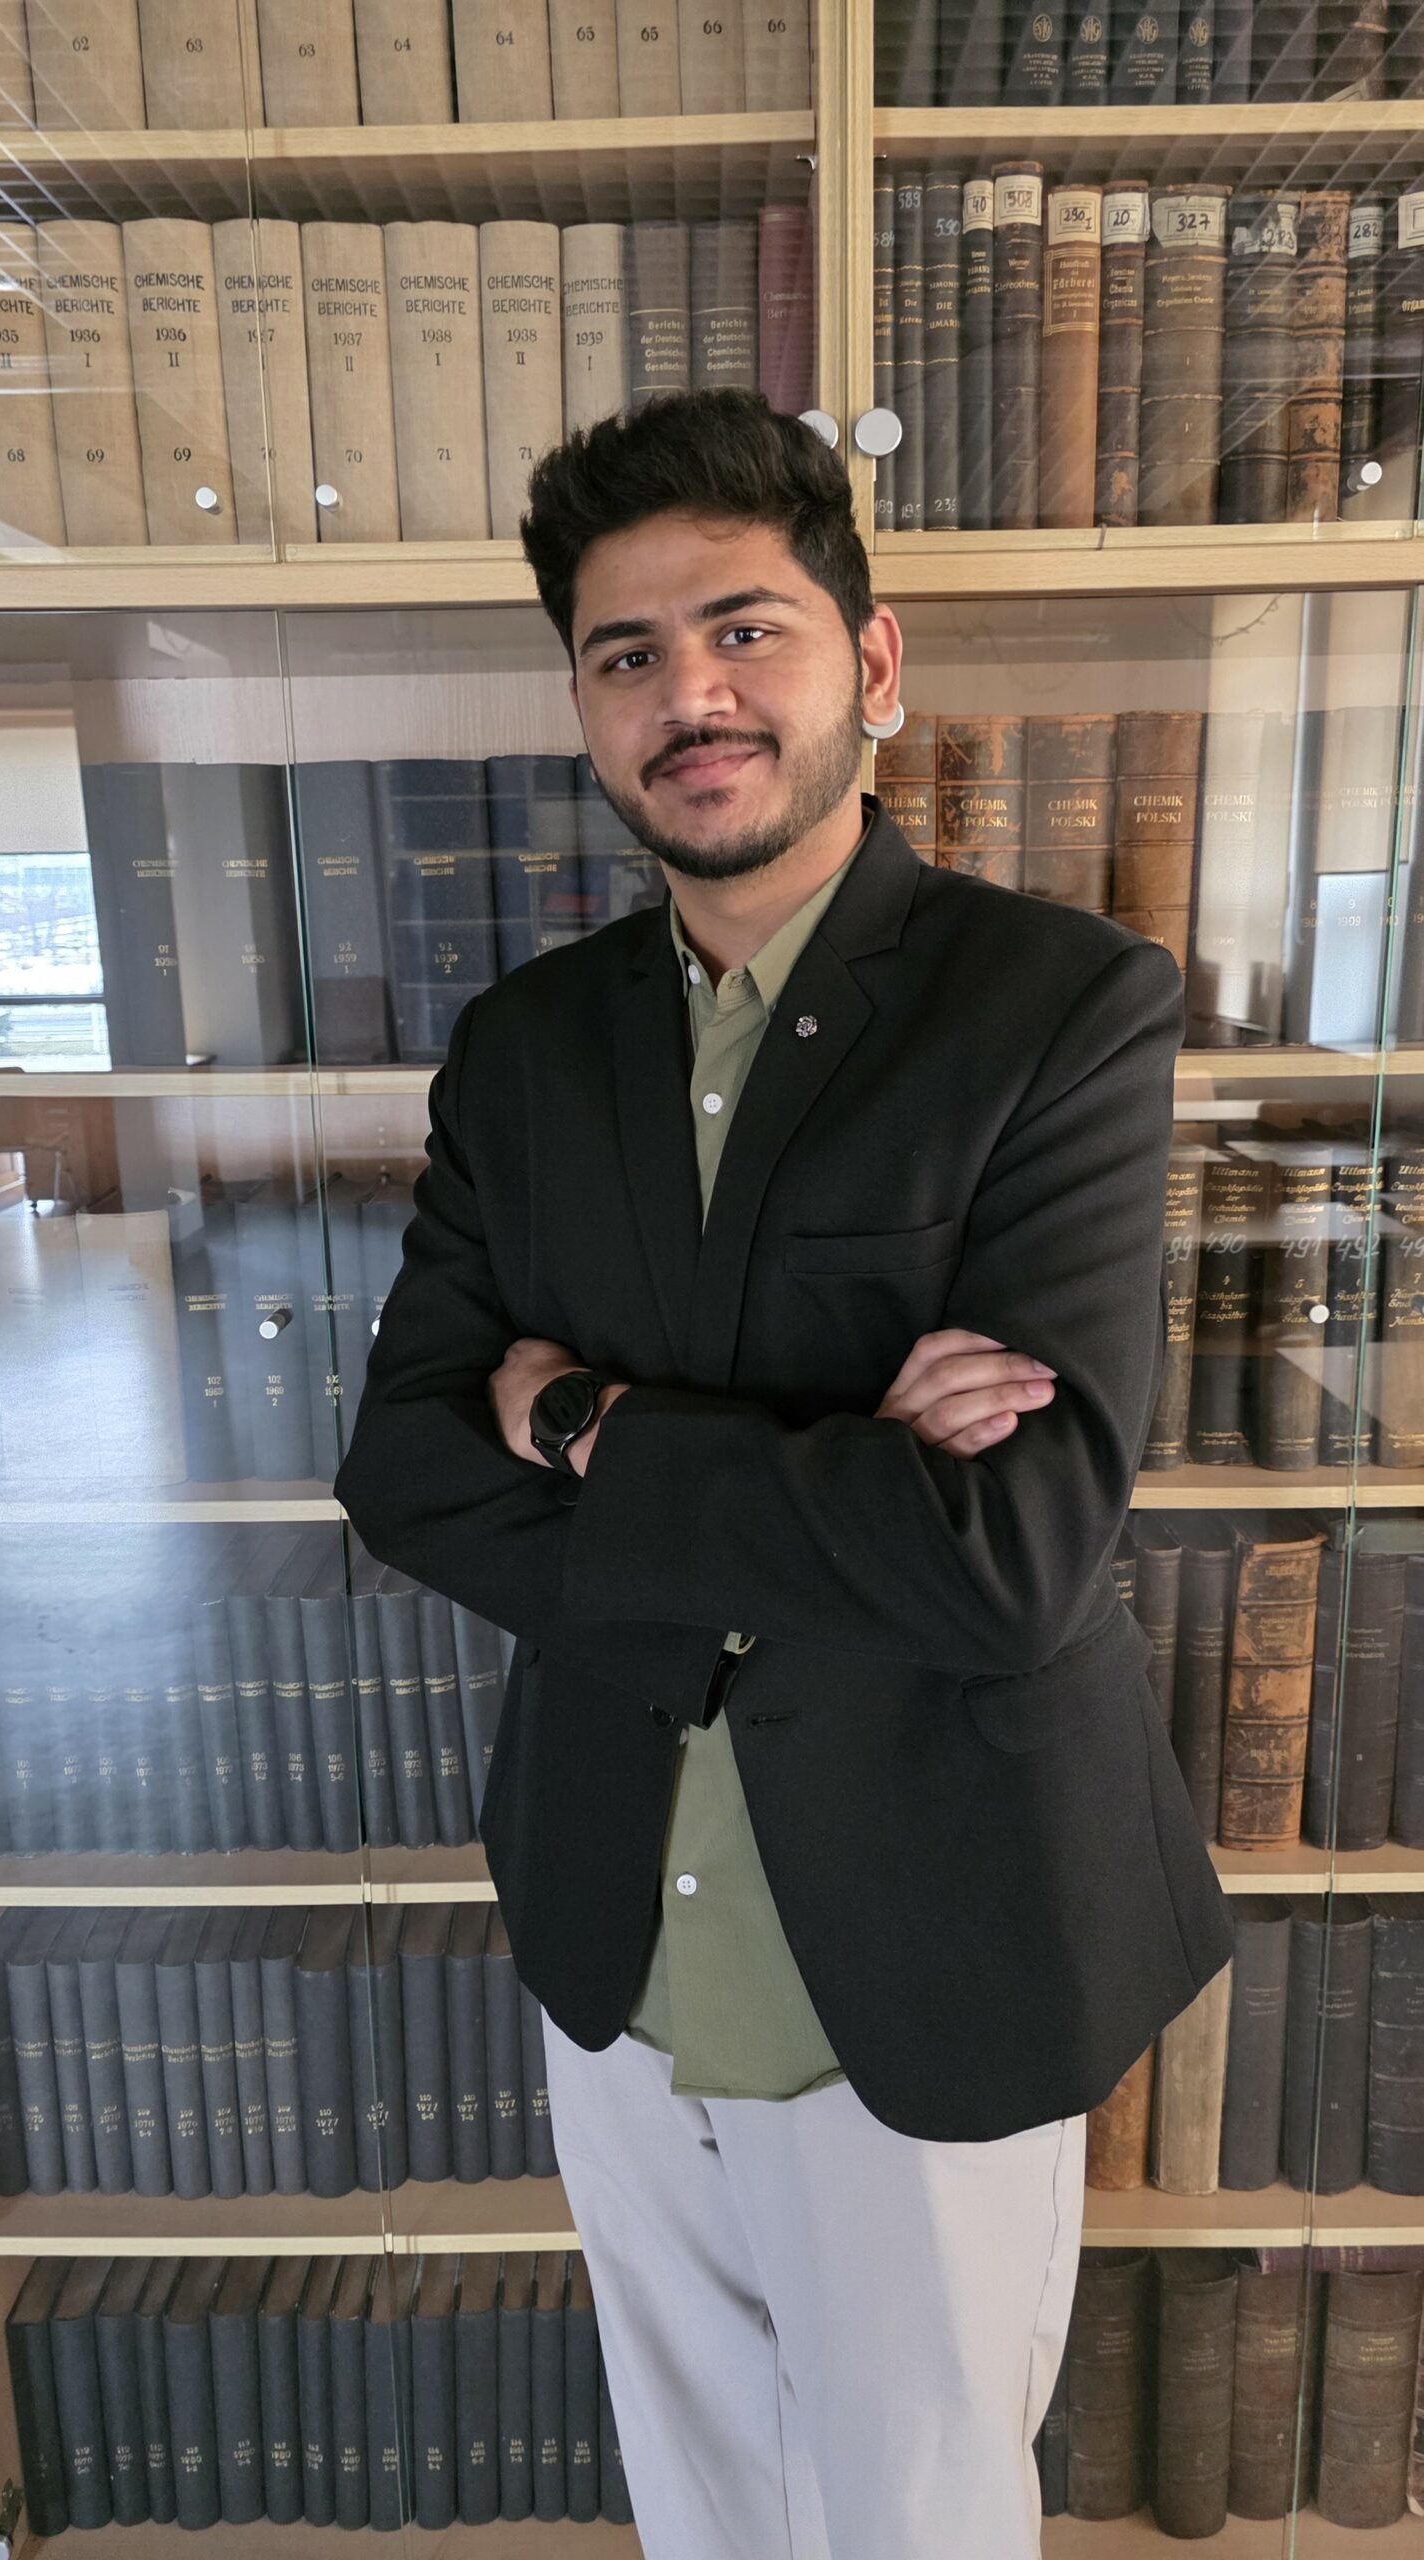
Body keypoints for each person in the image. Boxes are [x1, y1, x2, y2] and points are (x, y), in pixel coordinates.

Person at [334, 386, 1234, 2559]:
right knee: (705, 2505)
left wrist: (586, 1423)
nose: (692, 694)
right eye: (627, 653)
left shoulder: (1058, 1007)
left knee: (917, 2511)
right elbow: (405, 1471)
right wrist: (846, 1478)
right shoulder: (527, 1049)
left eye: (745, 629)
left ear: (870, 659)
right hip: (618, 1919)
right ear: (583, 705)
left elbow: (1009, 1556)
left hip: (929, 1922)